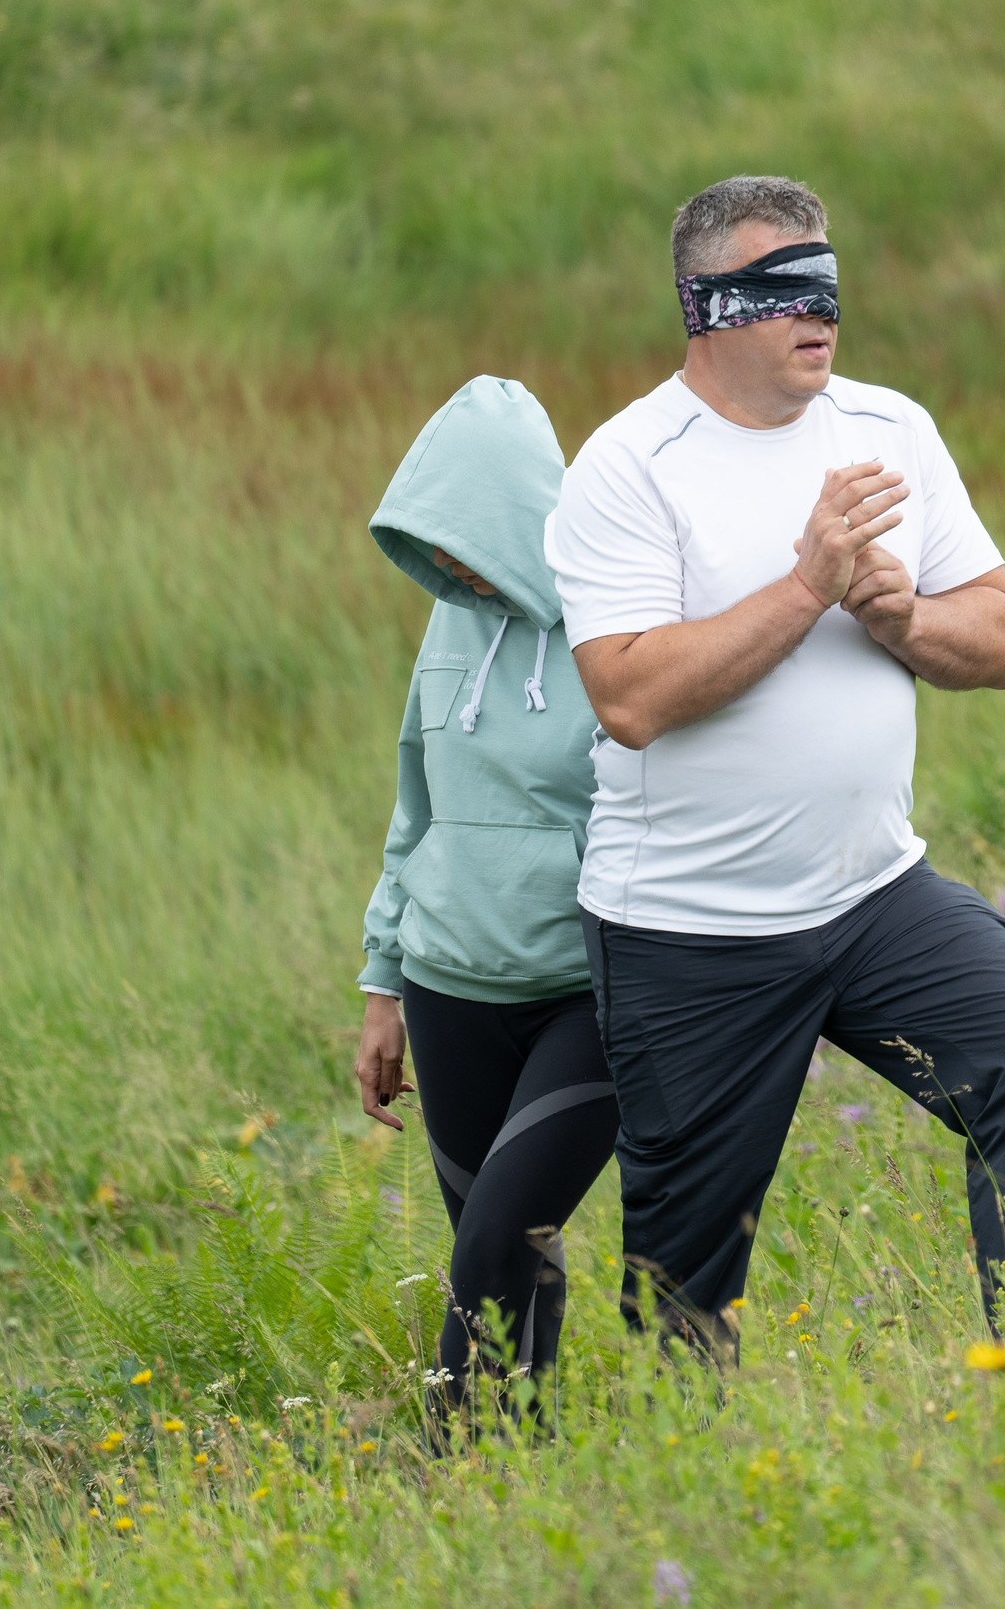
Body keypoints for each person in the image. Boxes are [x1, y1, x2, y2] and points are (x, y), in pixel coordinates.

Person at [545, 175, 1005, 1349]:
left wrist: (899, 618)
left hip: (871, 897)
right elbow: (631, 697)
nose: (822, 314)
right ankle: (681, 1475)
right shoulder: (629, 465)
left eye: (828, 284)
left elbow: (999, 644)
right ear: (705, 306)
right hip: (691, 930)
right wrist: (808, 586)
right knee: (686, 1281)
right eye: (783, 288)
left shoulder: (888, 428)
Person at [354, 375, 618, 1416]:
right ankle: (520, 1466)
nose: (448, 565)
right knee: (507, 1253)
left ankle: (444, 1461)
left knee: (502, 1228)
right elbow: (413, 808)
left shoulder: (614, 614)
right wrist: (383, 985)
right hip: (448, 982)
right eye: (428, 543)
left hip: (585, 991)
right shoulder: (449, 623)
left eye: (462, 538)